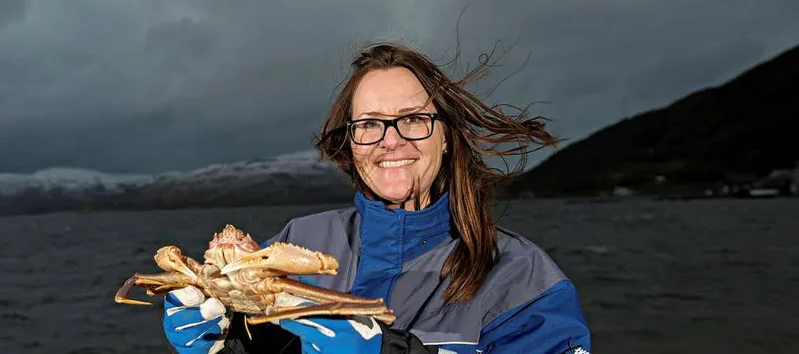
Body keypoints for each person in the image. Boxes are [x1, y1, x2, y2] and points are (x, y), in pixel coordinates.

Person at [159, 42, 593, 354]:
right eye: (368, 124)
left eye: (413, 119)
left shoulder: (522, 278)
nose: (390, 140)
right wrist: (226, 343)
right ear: (349, 142)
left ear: (446, 137)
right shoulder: (298, 240)